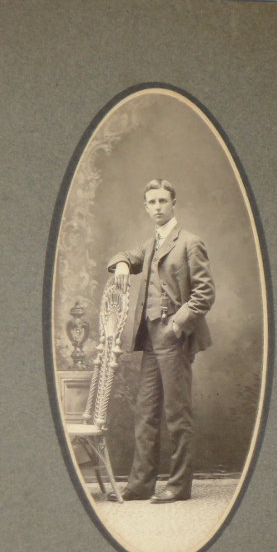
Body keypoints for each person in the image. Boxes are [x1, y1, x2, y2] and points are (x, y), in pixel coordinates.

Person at [107, 179, 215, 503]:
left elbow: (205, 293)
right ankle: (141, 484)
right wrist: (124, 263)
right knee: (145, 411)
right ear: (146, 206)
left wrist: (178, 326)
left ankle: (179, 486)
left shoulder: (190, 242)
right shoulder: (150, 244)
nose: (157, 207)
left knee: (177, 414)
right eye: (151, 202)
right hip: (150, 339)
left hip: (173, 336)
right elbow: (124, 256)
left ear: (173, 203)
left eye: (162, 201)